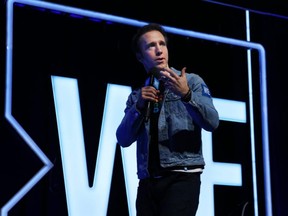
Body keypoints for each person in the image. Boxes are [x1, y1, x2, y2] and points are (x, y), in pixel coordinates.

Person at [116, 23, 219, 216]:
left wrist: (186, 95)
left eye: (162, 44)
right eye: (151, 46)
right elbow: (123, 138)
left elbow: (212, 122)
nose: (159, 50)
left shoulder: (191, 82)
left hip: (182, 177)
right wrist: (138, 107)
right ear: (140, 56)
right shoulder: (137, 95)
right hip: (147, 182)